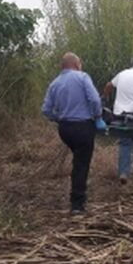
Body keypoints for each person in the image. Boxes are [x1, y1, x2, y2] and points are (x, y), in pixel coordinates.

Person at [41, 52, 104, 215]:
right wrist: (98, 116)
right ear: (77, 64)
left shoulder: (55, 83)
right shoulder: (82, 77)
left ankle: (78, 194)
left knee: (78, 159)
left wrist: (59, 118)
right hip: (83, 126)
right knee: (81, 164)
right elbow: (95, 100)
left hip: (65, 129)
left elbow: (46, 110)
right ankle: (77, 203)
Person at [104, 55, 133, 183]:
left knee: (125, 143)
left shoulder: (122, 74)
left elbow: (109, 85)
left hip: (119, 115)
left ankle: (124, 173)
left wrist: (106, 97)